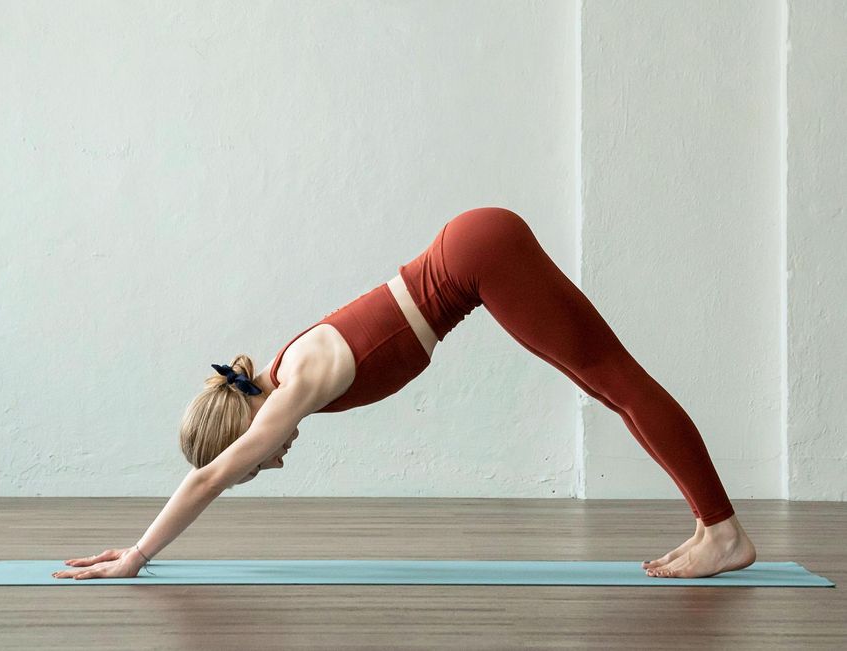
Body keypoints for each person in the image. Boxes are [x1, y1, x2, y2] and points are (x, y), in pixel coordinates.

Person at [53, 206, 756, 581]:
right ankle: (708, 524)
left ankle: (724, 532)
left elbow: (208, 476)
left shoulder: (296, 383)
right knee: (607, 385)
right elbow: (218, 469)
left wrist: (137, 553)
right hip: (476, 251)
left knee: (617, 380)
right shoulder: (287, 369)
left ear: (246, 430)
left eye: (258, 462)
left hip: (480, 258)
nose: (272, 463)